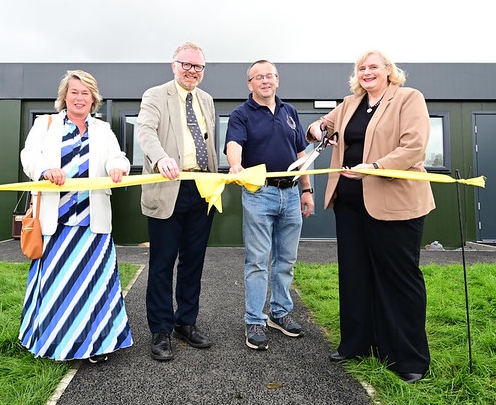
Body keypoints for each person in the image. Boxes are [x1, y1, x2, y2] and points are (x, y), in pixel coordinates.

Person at [305, 50, 435, 383]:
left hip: (394, 201)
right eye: (361, 68)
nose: (367, 72)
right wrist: (318, 128)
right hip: (349, 202)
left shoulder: (408, 98)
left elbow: (414, 147)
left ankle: (408, 358)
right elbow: (320, 126)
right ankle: (357, 344)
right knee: (355, 274)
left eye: (373, 67)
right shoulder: (350, 103)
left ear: (389, 71)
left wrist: (375, 167)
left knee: (397, 277)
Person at [19, 70, 133, 363]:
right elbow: (29, 156)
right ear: (64, 97)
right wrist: (45, 170)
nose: (79, 98)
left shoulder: (103, 129)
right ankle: (53, 343)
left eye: (85, 93)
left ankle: (95, 346)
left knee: (95, 287)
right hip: (55, 224)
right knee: (57, 287)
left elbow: (117, 157)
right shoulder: (45, 125)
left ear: (93, 98)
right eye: (74, 92)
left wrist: (118, 168)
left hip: (92, 222)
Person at [136, 42, 218, 361]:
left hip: (201, 188)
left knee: (193, 261)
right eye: (186, 64)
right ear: (173, 65)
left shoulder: (207, 100)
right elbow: (145, 132)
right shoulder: (155, 95)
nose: (192, 71)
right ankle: (160, 330)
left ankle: (186, 322)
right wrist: (160, 159)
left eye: (198, 67)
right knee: (162, 263)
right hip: (168, 187)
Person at [225, 60, 314, 351]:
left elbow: (301, 153)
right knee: (257, 260)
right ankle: (254, 319)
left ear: (277, 80)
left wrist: (307, 190)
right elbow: (234, 144)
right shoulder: (241, 115)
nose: (265, 81)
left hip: (290, 195)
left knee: (286, 259)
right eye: (258, 77)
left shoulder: (290, 112)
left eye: (269, 76)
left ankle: (280, 312)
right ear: (249, 84)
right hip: (259, 194)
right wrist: (235, 165)